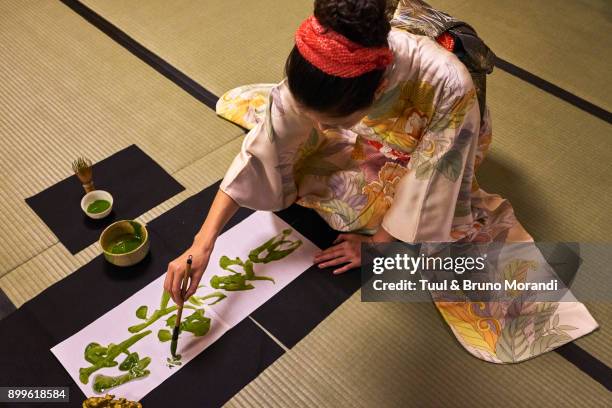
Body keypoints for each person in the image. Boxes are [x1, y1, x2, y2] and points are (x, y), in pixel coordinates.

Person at [164, 0, 597, 363]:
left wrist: (375, 246)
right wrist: (203, 241)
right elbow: (264, 148)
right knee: (299, 163)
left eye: (329, 119)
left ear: (370, 98)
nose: (318, 124)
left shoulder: (447, 82)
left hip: (443, 131)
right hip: (369, 109)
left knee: (363, 207)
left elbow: (432, 182)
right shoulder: (318, 59)